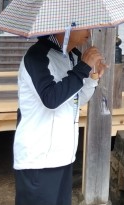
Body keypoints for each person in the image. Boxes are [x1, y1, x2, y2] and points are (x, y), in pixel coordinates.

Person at [13, 29, 108, 205]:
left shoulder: (72, 56)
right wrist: (83, 68)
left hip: (63, 155)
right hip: (38, 159)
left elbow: (75, 100)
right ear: (65, 26)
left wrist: (92, 78)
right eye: (82, 24)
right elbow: (51, 99)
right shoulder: (37, 56)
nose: (89, 30)